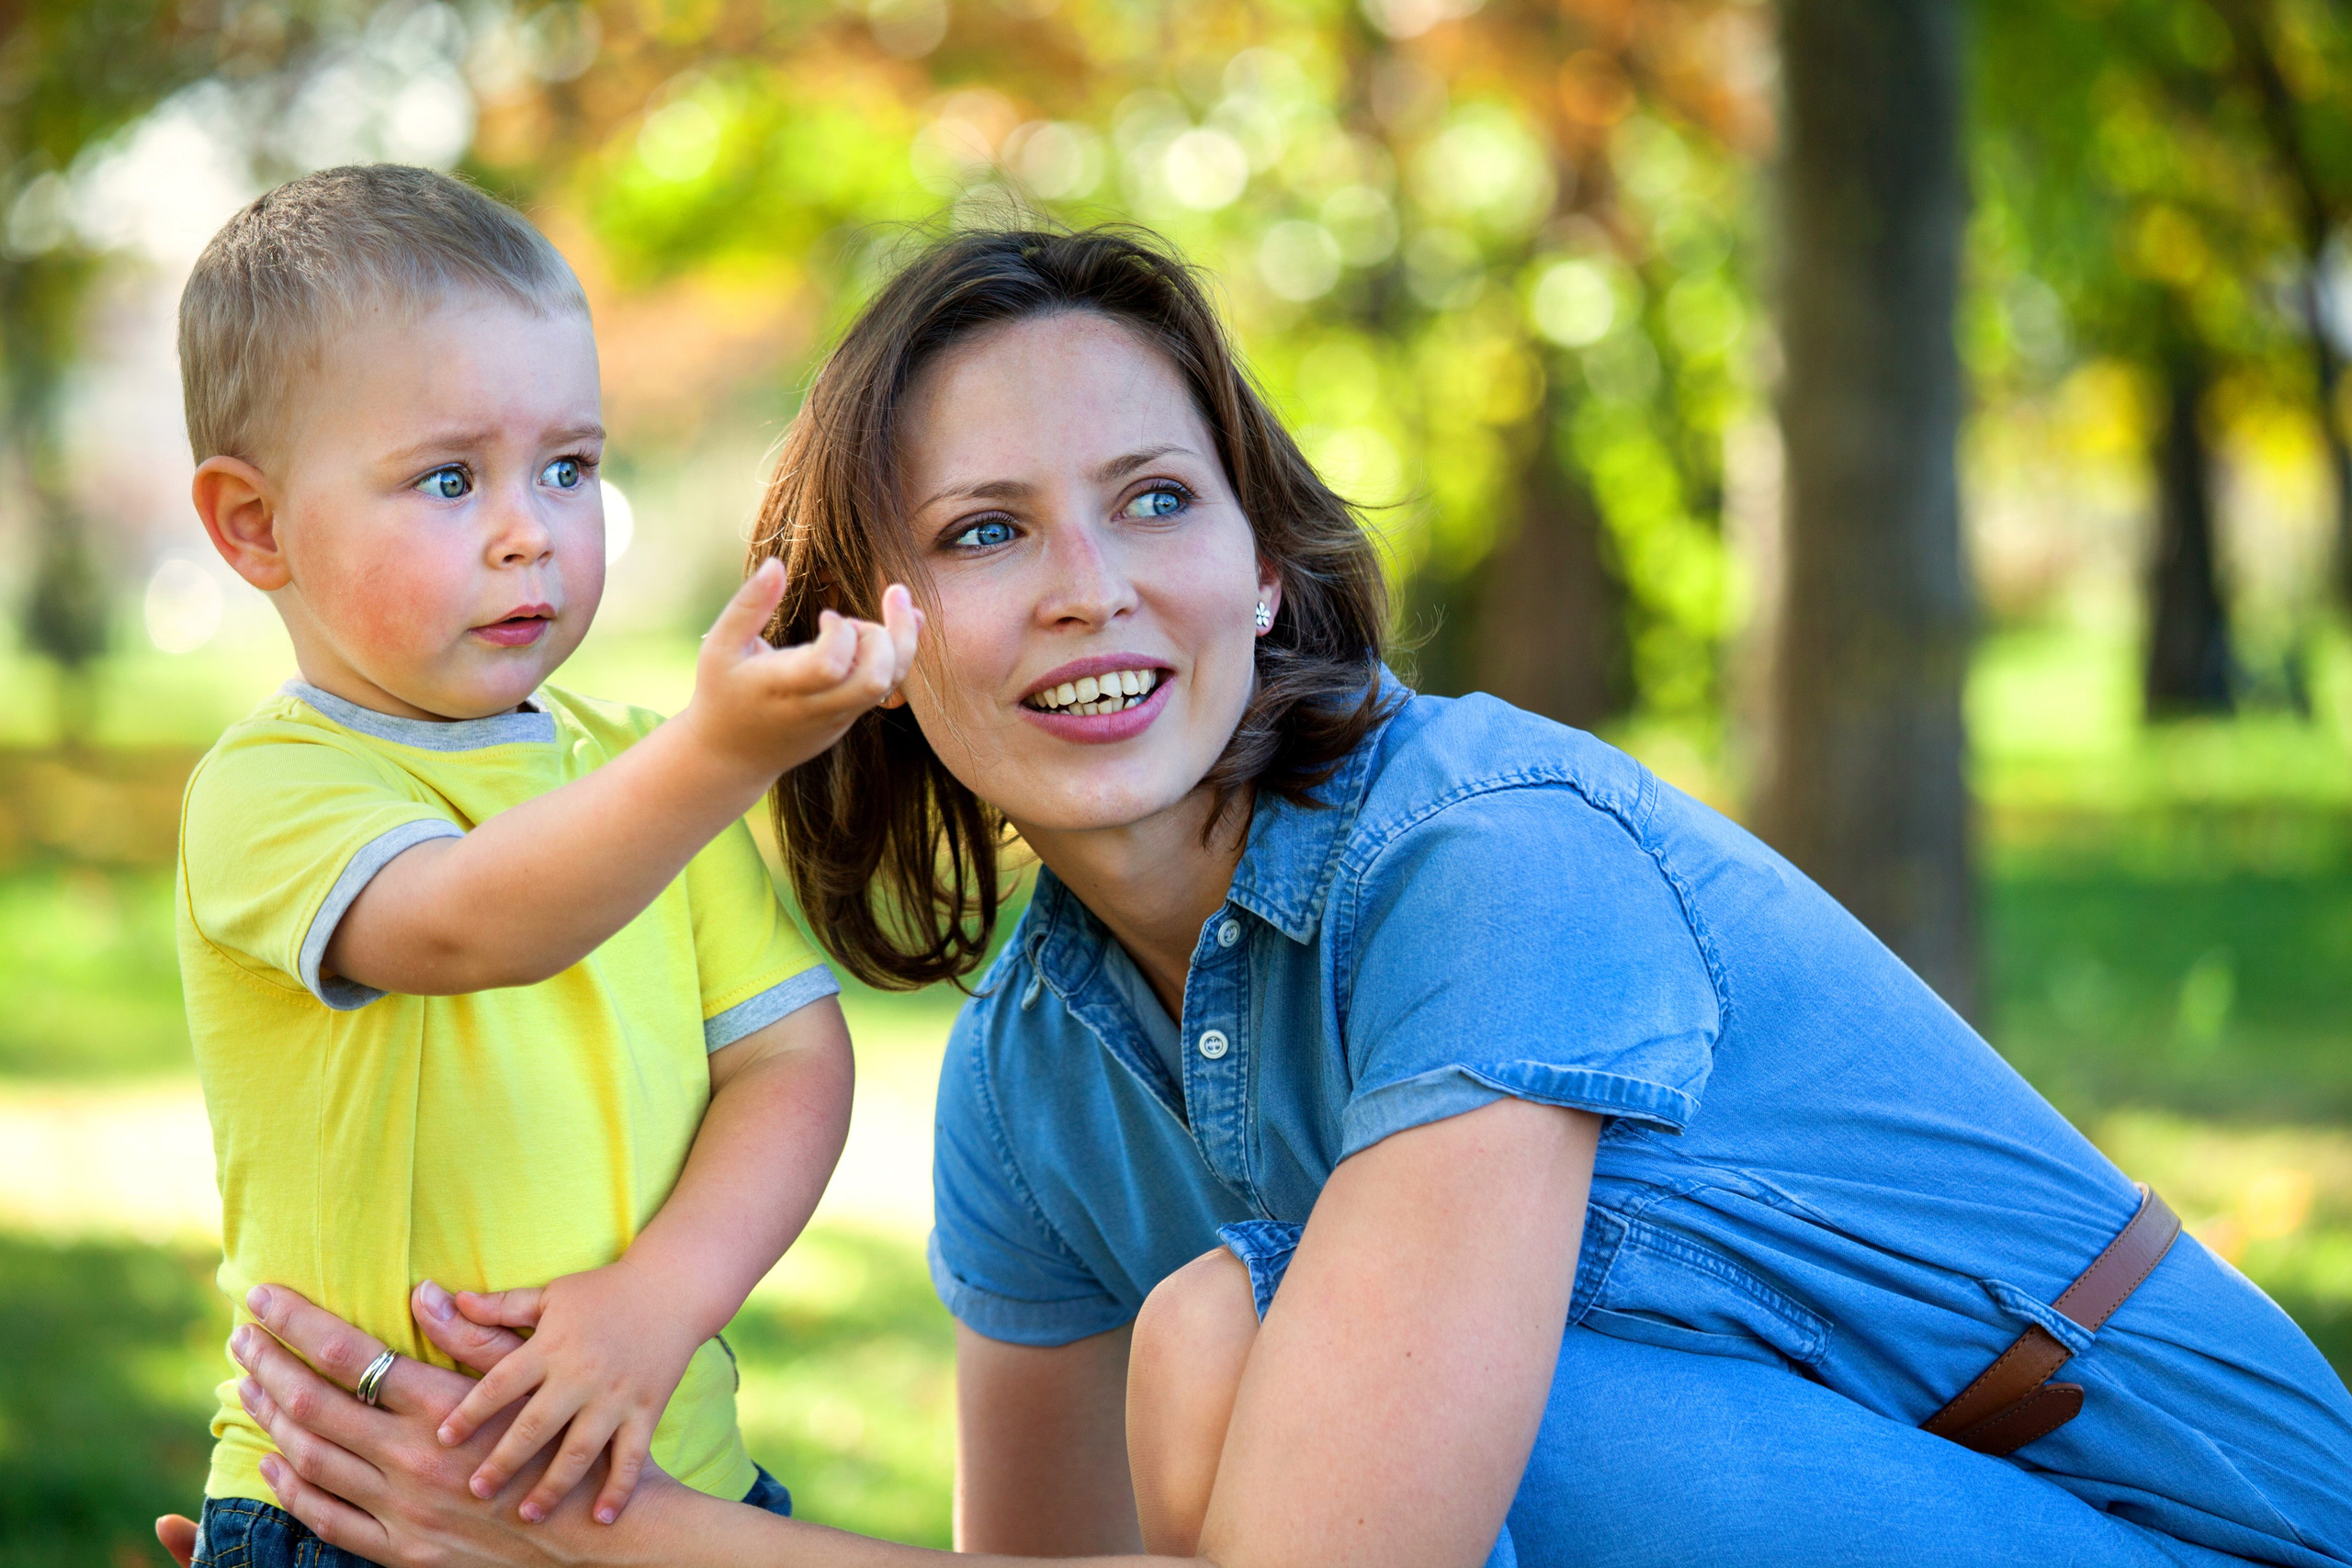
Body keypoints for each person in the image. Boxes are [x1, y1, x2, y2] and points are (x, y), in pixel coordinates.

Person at [176, 226, 2352, 1568]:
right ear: (860, 631)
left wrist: (610, 1545)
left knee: (1251, 1340)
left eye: (1151, 499)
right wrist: (357, 1531)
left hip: (2145, 1526)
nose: (1095, 587)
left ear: (1265, 558)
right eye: (988, 532)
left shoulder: (1487, 860)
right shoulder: (1037, 1064)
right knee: (1223, 1343)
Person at [167, 164, 920, 1568]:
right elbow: (466, 925)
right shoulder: (273, 790)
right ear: (254, 525)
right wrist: (714, 760)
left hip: (667, 1481)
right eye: (450, 478)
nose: (532, 529)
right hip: (357, 1507)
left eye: (569, 467)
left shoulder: (638, 766)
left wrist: (656, 1305)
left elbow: (791, 1063)